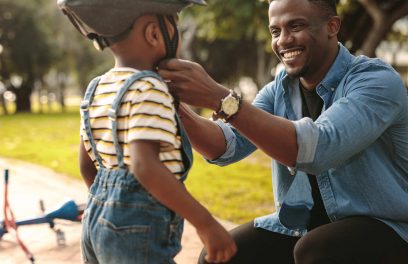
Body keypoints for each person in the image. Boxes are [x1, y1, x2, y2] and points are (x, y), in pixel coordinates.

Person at [157, 0, 408, 263]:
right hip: (305, 225)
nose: (283, 40)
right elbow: (224, 145)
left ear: (332, 26)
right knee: (218, 256)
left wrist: (220, 98)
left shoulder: (376, 81)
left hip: (392, 227)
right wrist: (174, 102)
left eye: (296, 26)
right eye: (275, 32)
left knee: (317, 250)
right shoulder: (280, 89)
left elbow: (319, 148)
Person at [57, 0, 237, 263]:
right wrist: (206, 224)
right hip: (136, 229)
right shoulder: (149, 87)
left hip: (95, 221)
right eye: (174, 21)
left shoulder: (97, 88)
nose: (177, 30)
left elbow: (87, 166)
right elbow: (145, 166)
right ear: (154, 33)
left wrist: (109, 205)